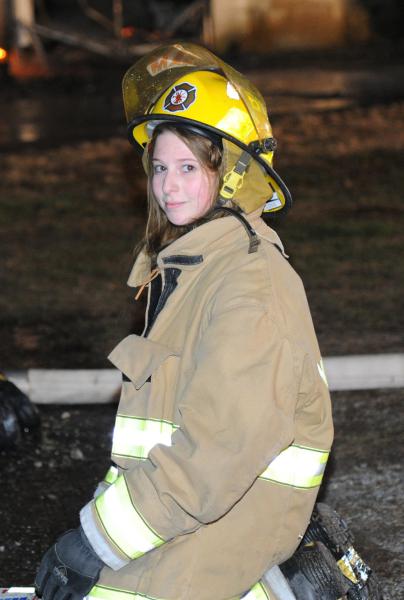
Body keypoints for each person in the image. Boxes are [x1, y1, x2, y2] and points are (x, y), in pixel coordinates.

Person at [35, 43, 335, 600]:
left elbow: (215, 455)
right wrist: (91, 531)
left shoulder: (249, 285)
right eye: (160, 167)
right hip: (193, 516)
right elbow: (145, 450)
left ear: (231, 175)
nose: (168, 186)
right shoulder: (191, 272)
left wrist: (93, 546)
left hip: (228, 523)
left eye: (188, 168)